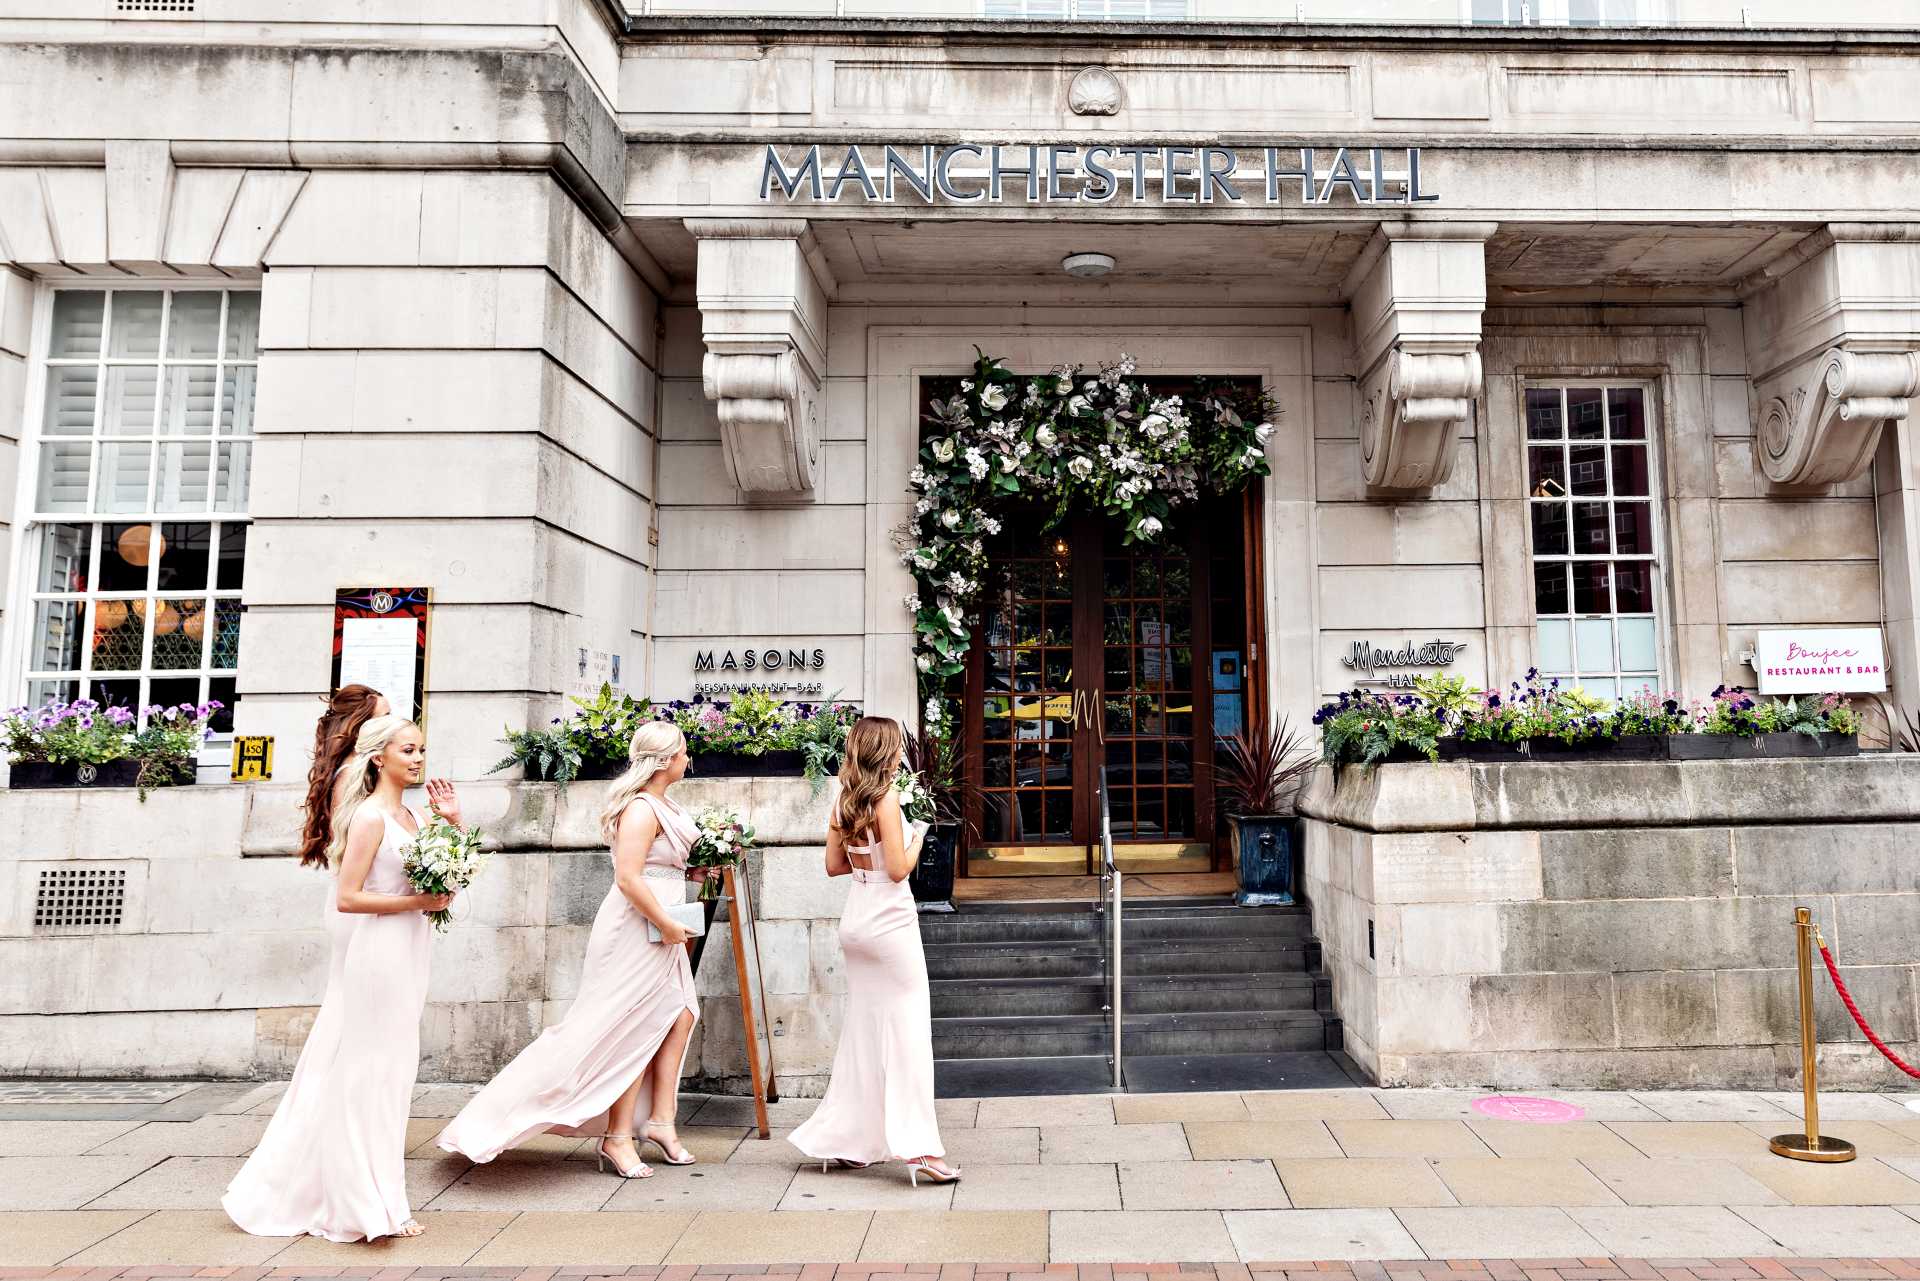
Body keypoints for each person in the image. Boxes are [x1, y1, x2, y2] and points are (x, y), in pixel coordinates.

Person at [223, 715, 460, 1242]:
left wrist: (453, 823)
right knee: (367, 1077)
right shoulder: (371, 818)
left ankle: (383, 1197)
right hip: (379, 953)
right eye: (408, 750)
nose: (419, 759)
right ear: (380, 758)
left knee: (393, 1077)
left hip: (410, 952)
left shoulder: (415, 816)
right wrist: (417, 902)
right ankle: (363, 1204)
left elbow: (443, 877)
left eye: (421, 749)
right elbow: (348, 898)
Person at [437, 721, 702, 1179]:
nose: (687, 759)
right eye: (681, 752)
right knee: (630, 1027)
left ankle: (660, 1120)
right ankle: (616, 1137)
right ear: (663, 761)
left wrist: (694, 879)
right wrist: (666, 922)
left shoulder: (667, 803)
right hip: (638, 927)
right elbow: (628, 878)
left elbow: (666, 865)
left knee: (679, 1013)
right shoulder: (640, 809)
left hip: (664, 923)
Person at [789, 715, 958, 1185]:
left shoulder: (845, 799)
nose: (904, 752)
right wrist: (919, 833)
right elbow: (901, 870)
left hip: (857, 919)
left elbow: (832, 865)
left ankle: (850, 1141)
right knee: (907, 1033)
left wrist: (869, 860)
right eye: (898, 746)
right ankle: (920, 1149)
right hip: (889, 921)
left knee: (864, 1032)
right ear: (886, 752)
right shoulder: (884, 798)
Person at [297, 685, 390, 870]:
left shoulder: (365, 767)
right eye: (384, 718)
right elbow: (345, 841)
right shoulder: (351, 772)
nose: (391, 723)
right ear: (359, 727)